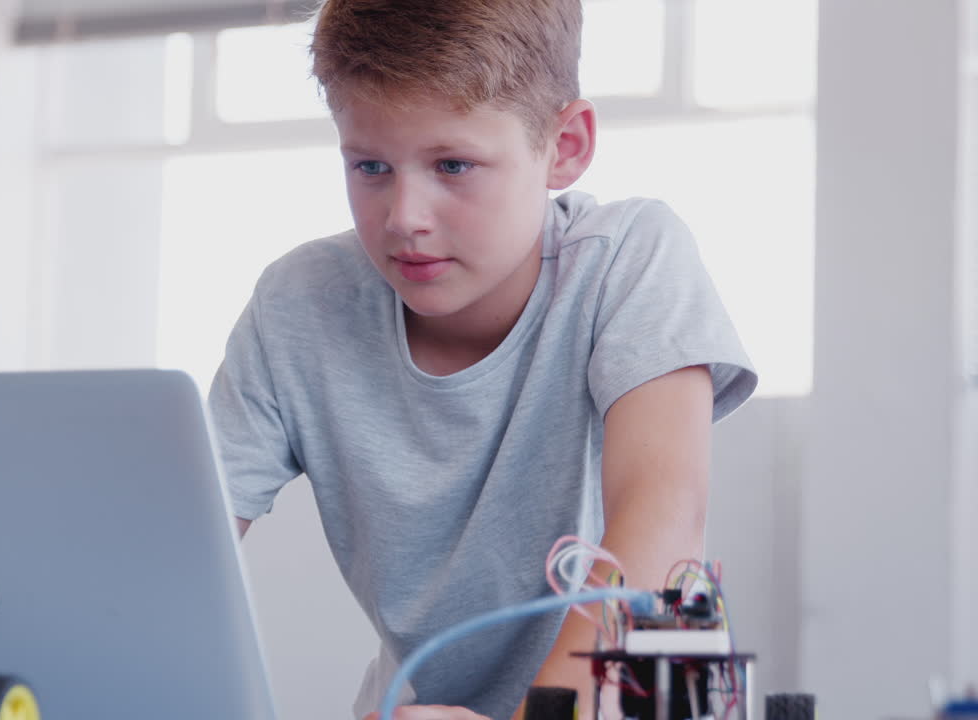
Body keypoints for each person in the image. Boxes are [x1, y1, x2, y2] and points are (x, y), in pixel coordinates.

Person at [207, 1, 757, 718]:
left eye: (454, 164)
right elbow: (173, 546)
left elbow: (665, 513)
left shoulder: (631, 257)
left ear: (564, 145)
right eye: (370, 165)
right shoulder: (299, 304)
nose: (405, 216)